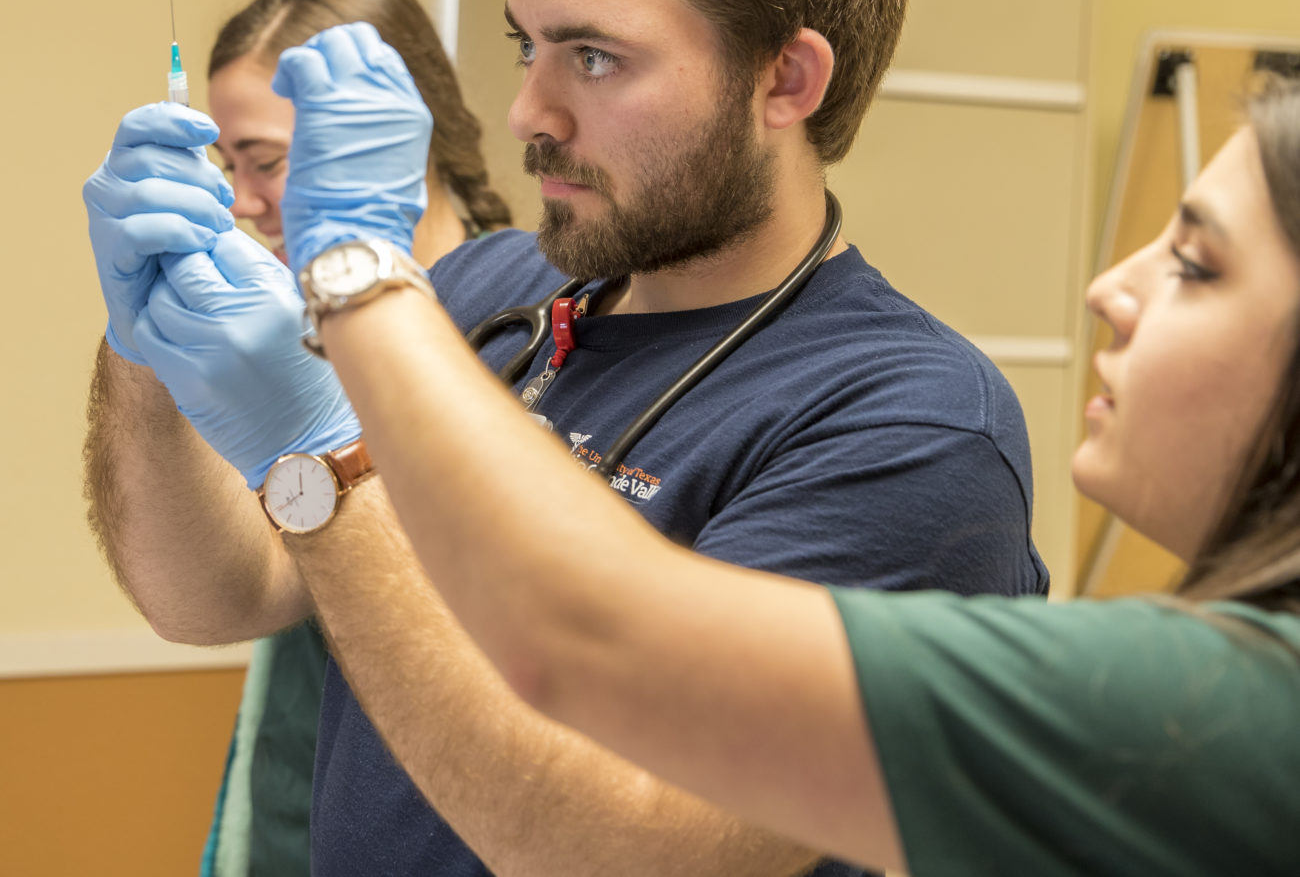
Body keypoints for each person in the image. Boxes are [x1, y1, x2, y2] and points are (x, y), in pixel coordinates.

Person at [83, 0, 1049, 877]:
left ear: (785, 77)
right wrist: (146, 345)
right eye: (526, 46)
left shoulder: (907, 427)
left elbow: (633, 847)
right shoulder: (484, 293)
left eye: (593, 56)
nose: (527, 114)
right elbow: (215, 595)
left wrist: (325, 455)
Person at [265, 75, 1300, 876]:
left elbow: (587, 641)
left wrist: (357, 284)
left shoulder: (1232, 700)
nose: (1108, 288)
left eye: (1197, 265)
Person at [196, 0, 511, 876]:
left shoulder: (526, 325)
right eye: (227, 168)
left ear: (389, 133)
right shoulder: (299, 322)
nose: (243, 204)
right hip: (303, 790)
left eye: (268, 161)